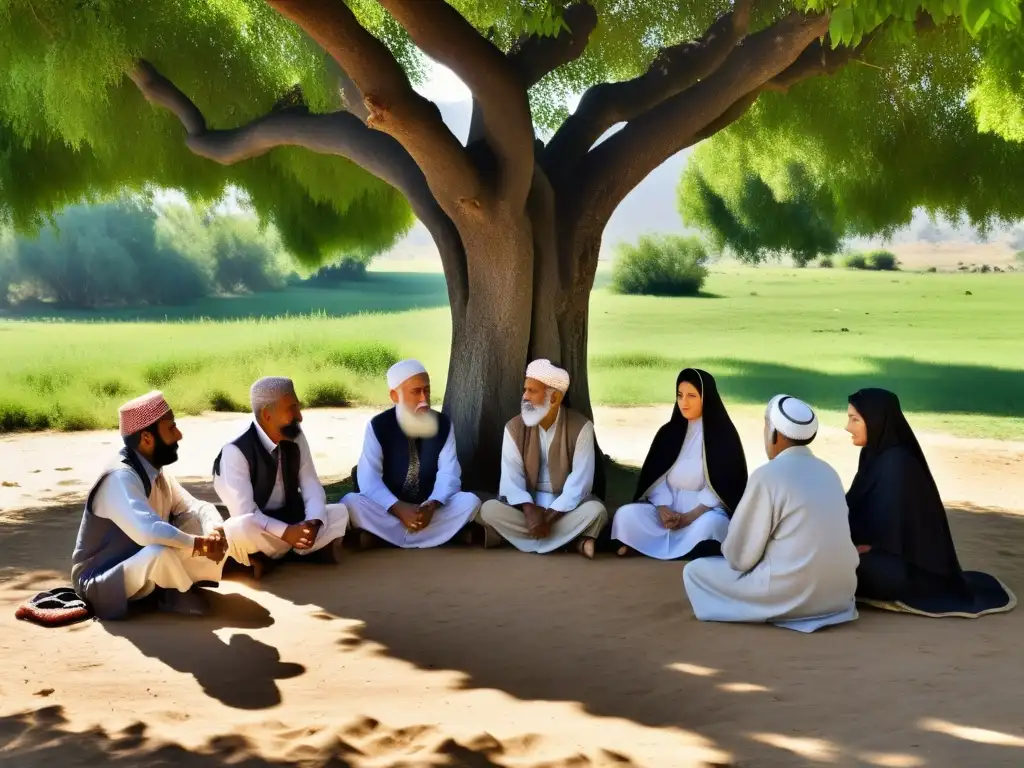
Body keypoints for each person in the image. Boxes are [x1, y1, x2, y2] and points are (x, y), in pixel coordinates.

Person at [71, 391, 259, 619]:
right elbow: (148, 533)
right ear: (147, 438)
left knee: (201, 523)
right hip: (99, 581)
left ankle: (176, 584)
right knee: (159, 549)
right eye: (171, 428)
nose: (179, 435)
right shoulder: (120, 477)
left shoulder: (157, 472)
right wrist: (198, 545)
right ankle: (176, 592)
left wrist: (214, 532)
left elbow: (196, 507)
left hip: (141, 560)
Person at [684, 395, 860, 632]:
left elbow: (740, 558)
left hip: (792, 595)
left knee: (695, 572)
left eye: (767, 425)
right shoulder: (829, 472)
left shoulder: (768, 475)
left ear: (774, 433)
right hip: (840, 595)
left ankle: (773, 610)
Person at [846, 388, 1015, 617]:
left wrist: (865, 548)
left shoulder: (898, 463)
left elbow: (895, 530)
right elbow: (858, 510)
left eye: (855, 419)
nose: (848, 427)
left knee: (843, 566)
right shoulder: (873, 454)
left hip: (905, 567)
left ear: (876, 421)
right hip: (878, 552)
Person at [213, 376, 349, 577]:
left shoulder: (295, 436)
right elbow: (245, 512)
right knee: (239, 528)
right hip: (260, 525)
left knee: (340, 512)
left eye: (298, 407)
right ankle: (297, 551)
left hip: (291, 518)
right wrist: (287, 533)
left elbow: (310, 483)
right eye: (291, 409)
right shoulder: (235, 451)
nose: (300, 416)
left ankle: (269, 557)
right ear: (267, 414)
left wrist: (313, 522)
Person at [342, 359, 481, 548]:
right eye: (416, 392)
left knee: (469, 501)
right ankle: (439, 536)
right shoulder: (379, 426)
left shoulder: (443, 425)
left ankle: (383, 538)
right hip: (389, 509)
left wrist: (432, 504)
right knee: (351, 503)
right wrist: (398, 508)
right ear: (394, 396)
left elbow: (449, 473)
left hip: (429, 510)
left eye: (427, 390)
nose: (424, 399)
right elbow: (369, 479)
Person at [612, 368, 747, 560]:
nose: (684, 402)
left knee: (714, 526)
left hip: (702, 511)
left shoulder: (723, 437)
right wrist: (662, 509)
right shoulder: (668, 433)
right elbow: (655, 478)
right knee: (626, 515)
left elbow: (724, 486)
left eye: (691, 395)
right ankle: (649, 544)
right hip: (667, 507)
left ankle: (643, 547)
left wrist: (689, 517)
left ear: (705, 397)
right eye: (680, 395)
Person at [480, 359, 607, 559]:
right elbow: (511, 481)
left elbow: (580, 484)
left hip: (565, 509)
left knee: (596, 511)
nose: (525, 397)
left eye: (532, 391)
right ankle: (573, 542)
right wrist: (531, 512)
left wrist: (548, 518)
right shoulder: (513, 428)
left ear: (554, 398)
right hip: (527, 509)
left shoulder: (581, 427)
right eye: (525, 390)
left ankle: (521, 538)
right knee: (488, 509)